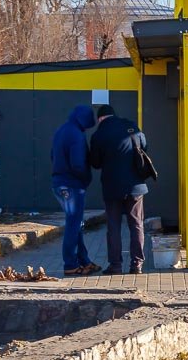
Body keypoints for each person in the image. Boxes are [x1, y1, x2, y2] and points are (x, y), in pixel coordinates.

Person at [88, 104, 149, 275]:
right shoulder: (131, 127)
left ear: (100, 118)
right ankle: (137, 265)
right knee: (136, 224)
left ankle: (115, 266)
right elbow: (144, 147)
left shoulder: (99, 134)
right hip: (135, 185)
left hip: (112, 186)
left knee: (114, 226)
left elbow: (95, 163)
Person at [50, 105, 101, 276]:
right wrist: (86, 179)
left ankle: (84, 260)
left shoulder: (62, 130)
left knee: (76, 224)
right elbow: (78, 164)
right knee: (73, 225)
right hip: (72, 185)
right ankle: (70, 264)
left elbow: (52, 155)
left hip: (59, 183)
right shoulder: (76, 135)